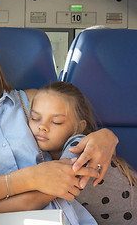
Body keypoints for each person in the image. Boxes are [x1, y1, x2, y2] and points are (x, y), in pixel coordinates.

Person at [0, 26, 118, 222]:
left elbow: (79, 147)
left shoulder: (31, 100)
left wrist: (104, 136)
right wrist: (30, 178)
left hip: (55, 213)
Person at [28, 81, 137, 224]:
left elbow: (37, 198)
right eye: (35, 118)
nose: (42, 126)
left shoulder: (80, 147)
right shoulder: (47, 156)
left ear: (79, 127)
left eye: (56, 122)